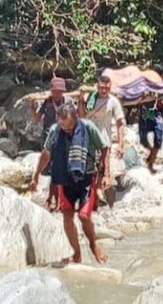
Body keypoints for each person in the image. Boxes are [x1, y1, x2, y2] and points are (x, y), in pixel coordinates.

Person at [30, 103, 110, 264]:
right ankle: (77, 253)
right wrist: (36, 174)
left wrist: (106, 173)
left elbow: (104, 148)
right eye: (62, 126)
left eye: (69, 127)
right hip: (65, 177)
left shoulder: (88, 127)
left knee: (83, 215)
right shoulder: (55, 130)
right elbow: (46, 153)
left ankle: (93, 245)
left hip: (86, 177)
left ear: (76, 119)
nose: (66, 130)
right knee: (67, 216)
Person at [30, 77, 74, 209]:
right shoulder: (47, 102)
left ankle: (55, 199)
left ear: (63, 91)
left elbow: (77, 117)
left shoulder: (68, 102)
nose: (57, 94)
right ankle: (52, 199)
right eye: (55, 91)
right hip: (49, 138)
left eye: (59, 91)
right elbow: (36, 118)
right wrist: (32, 106)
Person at [78, 75, 125, 157]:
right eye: (101, 87)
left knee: (105, 168)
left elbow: (120, 123)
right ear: (97, 86)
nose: (104, 90)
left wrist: (120, 145)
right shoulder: (90, 98)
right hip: (88, 140)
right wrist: (81, 99)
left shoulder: (113, 101)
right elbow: (82, 117)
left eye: (107, 88)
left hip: (104, 141)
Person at [138, 82, 163, 173]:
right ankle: (150, 156)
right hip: (146, 115)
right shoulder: (146, 87)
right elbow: (139, 101)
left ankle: (151, 163)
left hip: (158, 116)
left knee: (158, 139)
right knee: (143, 140)